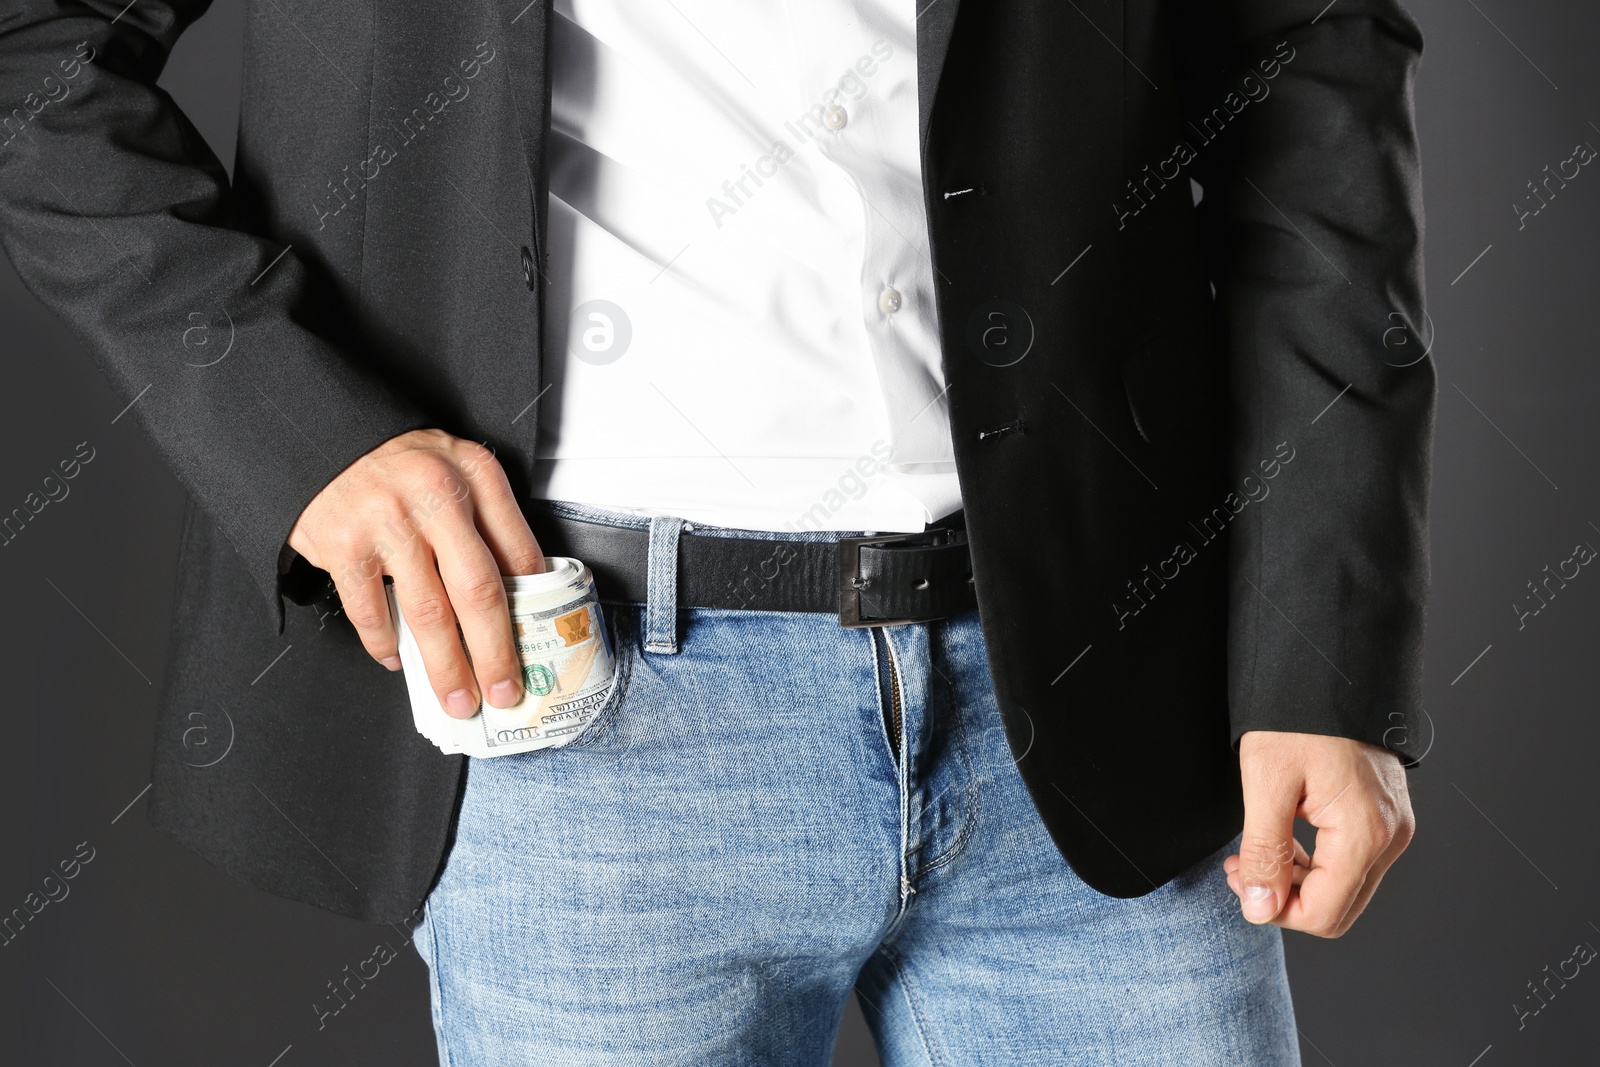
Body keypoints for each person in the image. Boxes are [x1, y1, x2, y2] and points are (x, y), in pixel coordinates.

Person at [0, 0, 1430, 1062]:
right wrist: (298, 432)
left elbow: (1311, 85)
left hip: (1100, 701)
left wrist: (1322, 655)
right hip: (592, 738)